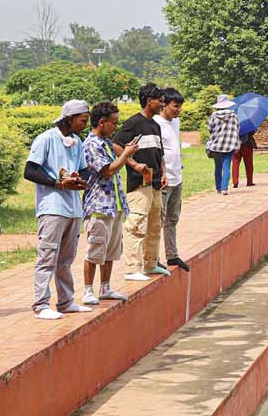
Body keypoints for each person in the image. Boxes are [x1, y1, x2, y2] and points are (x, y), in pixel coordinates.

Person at [25, 100, 91, 320]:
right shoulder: (46, 139)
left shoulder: (77, 141)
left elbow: (84, 169)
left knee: (66, 259)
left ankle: (65, 301)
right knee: (47, 256)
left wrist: (81, 181)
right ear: (70, 118)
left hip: (73, 207)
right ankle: (41, 303)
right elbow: (30, 171)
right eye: (82, 121)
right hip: (52, 206)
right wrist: (57, 183)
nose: (85, 125)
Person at [81, 102, 137, 306]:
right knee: (95, 249)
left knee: (112, 250)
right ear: (102, 122)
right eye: (113, 123)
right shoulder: (91, 144)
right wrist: (126, 155)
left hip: (113, 205)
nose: (116, 127)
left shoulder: (106, 143)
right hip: (98, 206)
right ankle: (88, 289)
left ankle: (105, 287)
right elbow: (107, 170)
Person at [114, 83, 165, 282]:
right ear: (148, 101)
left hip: (155, 183)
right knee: (136, 224)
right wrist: (134, 165)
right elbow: (117, 145)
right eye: (159, 100)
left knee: (155, 224)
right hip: (139, 184)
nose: (162, 103)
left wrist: (164, 172)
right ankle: (132, 268)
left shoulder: (156, 125)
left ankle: (151, 263)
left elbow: (160, 153)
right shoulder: (133, 123)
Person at [155, 88, 189, 273]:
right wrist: (162, 173)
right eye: (175, 106)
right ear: (164, 105)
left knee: (172, 219)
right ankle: (153, 258)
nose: (178, 110)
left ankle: (172, 254)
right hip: (164, 179)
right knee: (158, 220)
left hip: (177, 177)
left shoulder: (175, 122)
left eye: (180, 106)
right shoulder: (155, 124)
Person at [206, 95, 240, 194]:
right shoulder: (234, 116)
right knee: (226, 166)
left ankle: (218, 188)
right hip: (229, 145)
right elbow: (237, 129)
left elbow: (210, 129)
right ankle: (224, 188)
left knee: (218, 167)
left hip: (216, 145)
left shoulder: (213, 116)